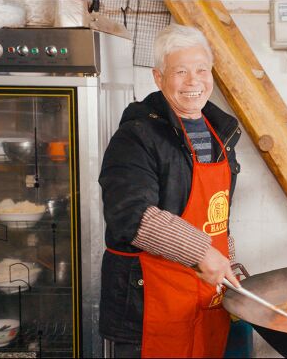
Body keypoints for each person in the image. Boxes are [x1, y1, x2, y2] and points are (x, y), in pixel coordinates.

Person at [98, 23, 242, 358]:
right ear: (158, 77)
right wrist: (204, 255)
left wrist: (230, 266)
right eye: (180, 71)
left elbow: (217, 216)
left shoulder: (221, 134)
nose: (194, 81)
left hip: (206, 301)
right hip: (148, 303)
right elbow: (131, 216)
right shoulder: (136, 137)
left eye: (201, 70)